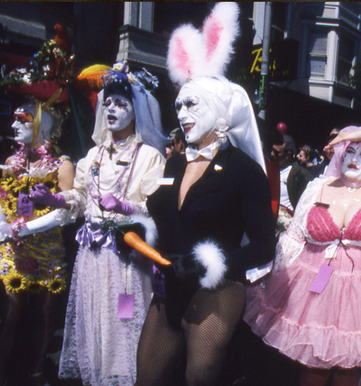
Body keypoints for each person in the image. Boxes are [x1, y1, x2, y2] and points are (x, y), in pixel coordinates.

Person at [134, 4, 275, 385]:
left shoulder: (244, 172)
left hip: (218, 292)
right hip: (168, 291)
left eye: (191, 103)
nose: (181, 113)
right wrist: (137, 231)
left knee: (201, 379)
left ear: (218, 110)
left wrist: (209, 264)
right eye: (178, 103)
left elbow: (264, 247)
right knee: (145, 378)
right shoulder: (175, 164)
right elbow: (164, 217)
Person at [245, 126, 361, 386]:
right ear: (339, 154)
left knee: (348, 371)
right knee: (312, 368)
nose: (355, 158)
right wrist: (274, 284)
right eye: (349, 150)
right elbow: (293, 237)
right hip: (314, 288)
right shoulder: (317, 187)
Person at [27, 61, 167, 386]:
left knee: (123, 321)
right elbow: (78, 199)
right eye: (108, 103)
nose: (112, 109)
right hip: (91, 258)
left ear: (136, 109)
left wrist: (123, 205)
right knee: (94, 324)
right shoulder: (92, 157)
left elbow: (155, 210)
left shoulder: (149, 157)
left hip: (126, 262)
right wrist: (55, 200)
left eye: (121, 103)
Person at [0, 33, 75, 386]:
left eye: (23, 121)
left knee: (43, 315)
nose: (14, 126)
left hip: (45, 250)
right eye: (14, 120)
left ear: (45, 122)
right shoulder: (12, 161)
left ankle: (38, 371)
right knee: (7, 314)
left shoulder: (62, 165)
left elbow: (69, 211)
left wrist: (28, 228)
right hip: (11, 247)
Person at [273, 134, 314, 234]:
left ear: (288, 154)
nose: (272, 154)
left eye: (277, 153)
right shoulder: (268, 170)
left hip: (288, 229)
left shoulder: (301, 175)